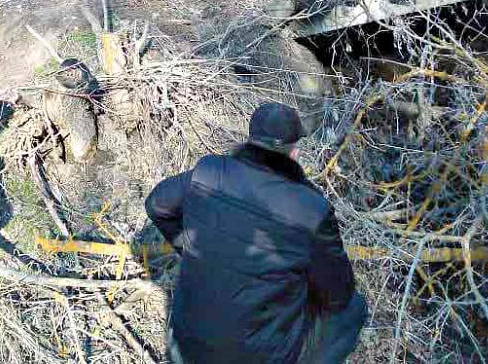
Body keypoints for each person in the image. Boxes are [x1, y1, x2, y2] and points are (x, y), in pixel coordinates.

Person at [145, 102, 368, 364]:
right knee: (353, 309)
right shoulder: (311, 208)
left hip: (185, 349)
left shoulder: (209, 170)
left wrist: (190, 247)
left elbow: (156, 204)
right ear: (294, 152)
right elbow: (338, 295)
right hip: (259, 358)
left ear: (250, 141)